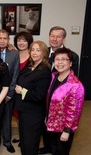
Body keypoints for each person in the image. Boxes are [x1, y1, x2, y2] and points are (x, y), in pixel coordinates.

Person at [38, 26, 80, 155]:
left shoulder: (72, 56)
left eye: (58, 36)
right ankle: (47, 147)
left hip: (62, 101)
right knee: (46, 127)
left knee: (60, 139)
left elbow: (73, 82)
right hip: (44, 98)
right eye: (52, 35)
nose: (55, 39)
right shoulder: (44, 53)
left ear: (64, 39)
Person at [15, 40, 51, 155]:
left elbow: (39, 95)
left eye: (38, 50)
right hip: (23, 111)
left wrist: (22, 91)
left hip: (33, 114)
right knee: (24, 141)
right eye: (33, 50)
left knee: (31, 143)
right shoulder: (30, 65)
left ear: (44, 53)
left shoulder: (44, 71)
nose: (35, 53)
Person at [45, 47, 84, 155]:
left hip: (64, 128)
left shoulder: (75, 85)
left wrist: (67, 131)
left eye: (64, 59)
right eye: (57, 59)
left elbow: (74, 112)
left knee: (62, 151)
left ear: (70, 63)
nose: (60, 62)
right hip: (51, 124)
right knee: (53, 149)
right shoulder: (53, 77)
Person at [0, 29, 19, 153]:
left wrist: (10, 94)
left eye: (5, 38)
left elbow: (15, 74)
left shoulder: (14, 53)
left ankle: (7, 141)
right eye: (0, 38)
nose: (2, 41)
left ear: (8, 40)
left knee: (6, 118)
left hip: (9, 94)